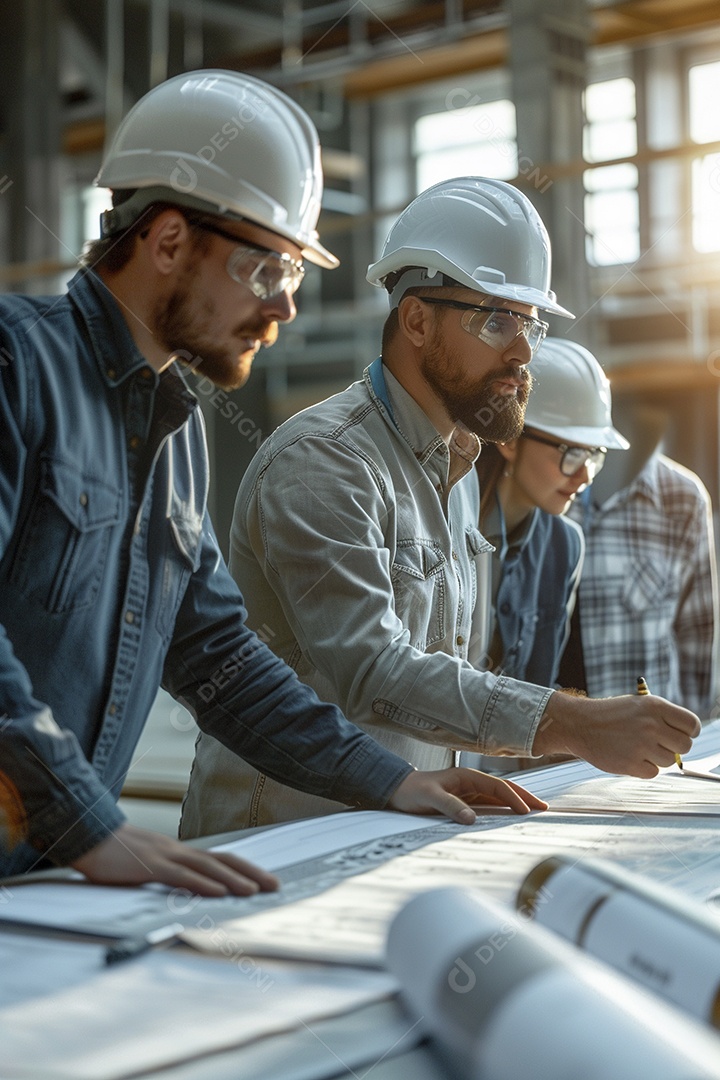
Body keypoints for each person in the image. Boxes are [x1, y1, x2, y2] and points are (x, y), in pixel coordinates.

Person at [0, 73, 550, 894]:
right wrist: (85, 822)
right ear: (170, 241)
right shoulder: (17, 365)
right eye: (268, 269)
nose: (287, 305)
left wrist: (391, 780)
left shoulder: (178, 436)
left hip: (43, 890)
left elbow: (220, 656)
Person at [180, 176, 699, 839]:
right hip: (276, 843)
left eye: (530, 324)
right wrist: (572, 723)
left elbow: (442, 670)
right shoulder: (323, 461)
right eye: (497, 320)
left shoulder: (453, 472)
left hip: (388, 828)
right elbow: (372, 669)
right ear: (417, 319)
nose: (521, 351)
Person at [476, 337, 628, 686]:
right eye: (571, 452)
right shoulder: (447, 527)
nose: (585, 474)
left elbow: (539, 691)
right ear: (510, 439)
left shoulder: (565, 547)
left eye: (594, 455)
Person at [559, 401, 718, 718]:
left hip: (650, 750)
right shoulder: (545, 490)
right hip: (552, 753)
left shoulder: (682, 498)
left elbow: (697, 635)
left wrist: (688, 736)